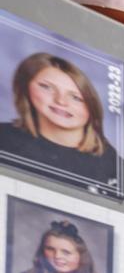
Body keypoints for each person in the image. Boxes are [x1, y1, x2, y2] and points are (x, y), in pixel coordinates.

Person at [0, 52, 117, 186]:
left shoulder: (114, 168)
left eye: (76, 98)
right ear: (25, 87)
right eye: (47, 87)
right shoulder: (4, 137)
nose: (61, 101)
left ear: (92, 106)